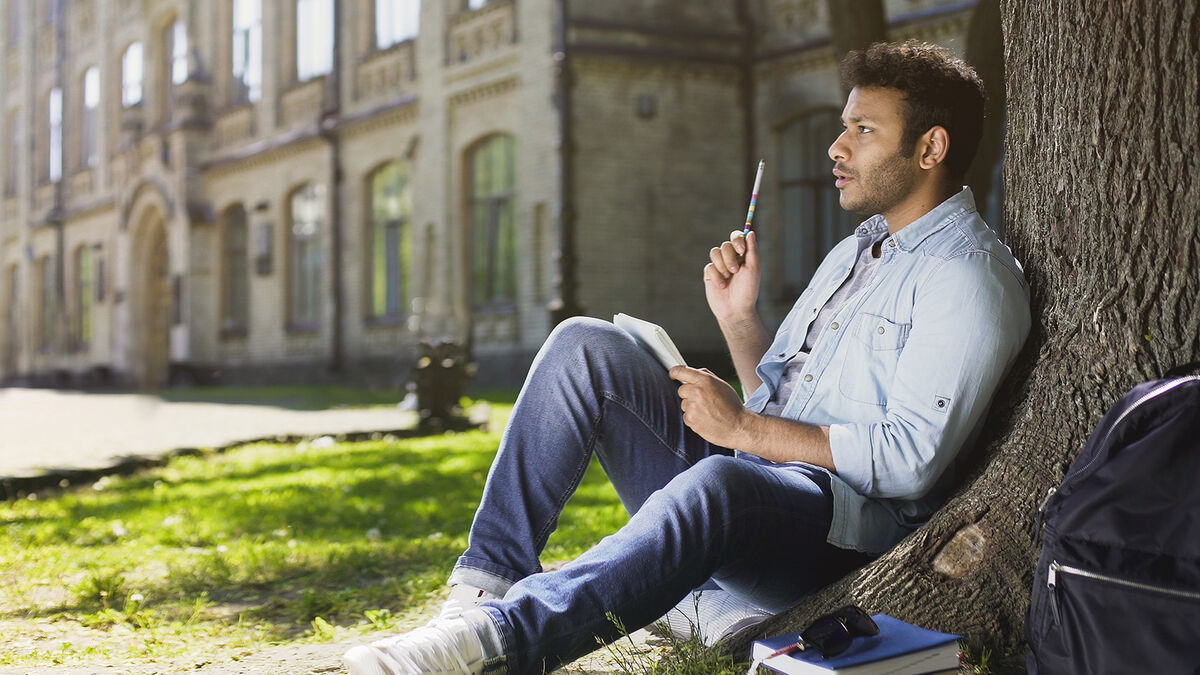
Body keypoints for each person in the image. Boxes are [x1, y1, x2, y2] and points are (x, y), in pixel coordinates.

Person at [343, 40, 1032, 675]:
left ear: (930, 146)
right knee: (584, 346)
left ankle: (492, 643)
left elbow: (911, 460)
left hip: (837, 532)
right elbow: (778, 397)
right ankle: (481, 588)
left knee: (723, 486)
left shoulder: (968, 277)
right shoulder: (858, 249)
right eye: (844, 126)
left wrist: (744, 433)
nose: (836, 146)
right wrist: (739, 321)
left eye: (863, 130)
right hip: (756, 482)